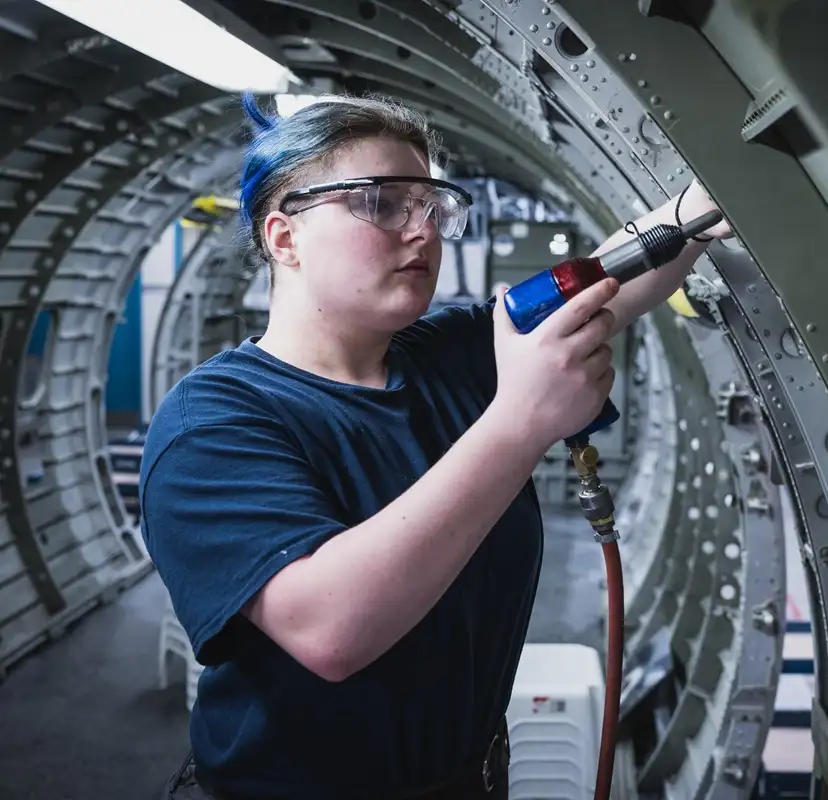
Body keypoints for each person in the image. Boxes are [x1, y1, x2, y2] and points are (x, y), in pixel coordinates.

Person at [143, 91, 730, 799]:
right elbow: (330, 630)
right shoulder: (213, 421)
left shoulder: (446, 353)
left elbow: (598, 288)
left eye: (432, 206)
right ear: (283, 236)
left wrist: (698, 214)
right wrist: (520, 421)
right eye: (381, 202)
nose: (422, 230)